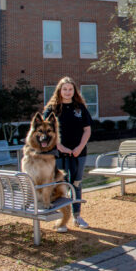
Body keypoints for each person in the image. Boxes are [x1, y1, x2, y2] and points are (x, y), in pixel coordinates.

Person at [43, 76, 92, 233]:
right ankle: (61, 220)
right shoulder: (52, 109)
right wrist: (60, 146)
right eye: (65, 89)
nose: (67, 92)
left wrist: (79, 147)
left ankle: (77, 216)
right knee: (59, 185)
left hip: (79, 153)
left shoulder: (80, 108)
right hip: (58, 154)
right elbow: (46, 131)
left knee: (76, 183)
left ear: (74, 91)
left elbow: (87, 130)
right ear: (59, 90)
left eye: (70, 89)